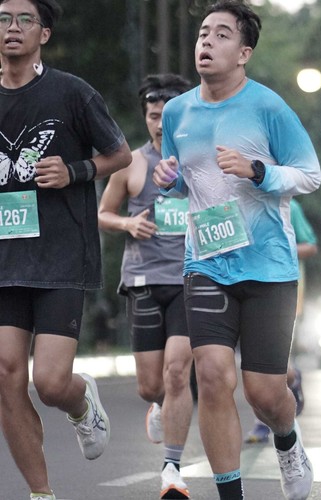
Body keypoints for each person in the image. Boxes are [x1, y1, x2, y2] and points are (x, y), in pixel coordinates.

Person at [153, 2, 321, 498]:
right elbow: (182, 180)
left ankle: (287, 440)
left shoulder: (268, 107)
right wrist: (168, 179)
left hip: (269, 266)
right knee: (212, 375)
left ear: (244, 52)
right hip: (205, 262)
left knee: (265, 393)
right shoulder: (178, 111)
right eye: (203, 33)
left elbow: (310, 175)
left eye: (222, 34)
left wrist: (258, 171)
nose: (206, 41)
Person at [0, 1, 132, 499]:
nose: (12, 28)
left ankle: (81, 404)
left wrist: (75, 171)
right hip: (4, 260)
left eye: (24, 20)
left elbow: (119, 153)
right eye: (2, 19)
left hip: (60, 255)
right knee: (6, 376)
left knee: (51, 382)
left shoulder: (72, 92)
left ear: (45, 34)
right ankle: (41, 494)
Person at [98, 74, 193, 499]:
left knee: (177, 372)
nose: (160, 123)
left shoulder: (199, 161)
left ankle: (172, 468)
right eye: (154, 116)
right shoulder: (132, 163)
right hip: (144, 280)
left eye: (167, 116)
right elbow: (103, 213)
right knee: (151, 386)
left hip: (191, 279)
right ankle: (159, 404)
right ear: (146, 117)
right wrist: (127, 223)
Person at [245, 198, 318, 443]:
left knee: (271, 364)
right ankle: (263, 420)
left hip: (280, 291)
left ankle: (291, 380)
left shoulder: (288, 204)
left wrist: (275, 247)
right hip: (240, 289)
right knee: (250, 365)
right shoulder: (225, 198)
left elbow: (310, 247)